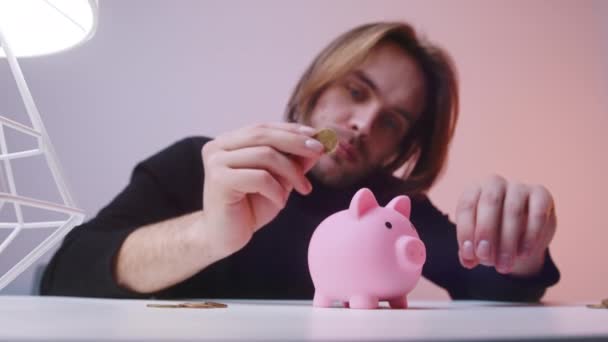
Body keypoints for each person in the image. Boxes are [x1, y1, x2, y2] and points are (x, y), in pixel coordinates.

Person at [40, 22, 559, 301]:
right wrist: (209, 235)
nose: (363, 122)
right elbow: (67, 272)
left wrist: (521, 245)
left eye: (393, 122)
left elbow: (490, 284)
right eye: (356, 91)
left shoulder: (395, 212)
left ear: (403, 146)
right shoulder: (201, 166)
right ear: (317, 84)